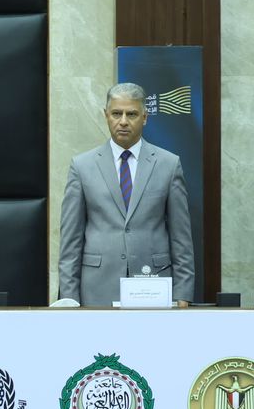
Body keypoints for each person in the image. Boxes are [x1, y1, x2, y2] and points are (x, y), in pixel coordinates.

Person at [58, 82, 194, 306]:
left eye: (131, 114)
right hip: (97, 289)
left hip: (152, 287)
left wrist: (182, 294)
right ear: (106, 115)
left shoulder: (169, 165)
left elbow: (181, 239)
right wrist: (69, 298)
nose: (123, 121)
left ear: (144, 117)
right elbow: (70, 242)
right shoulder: (82, 167)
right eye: (116, 113)